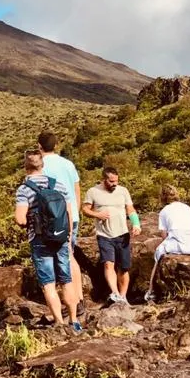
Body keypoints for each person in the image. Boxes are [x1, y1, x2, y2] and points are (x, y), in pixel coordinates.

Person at [14, 150, 82, 333]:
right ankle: (74, 320)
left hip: (39, 240)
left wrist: (29, 222)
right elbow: (68, 212)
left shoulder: (24, 189)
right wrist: (67, 238)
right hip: (61, 237)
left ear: (26, 166)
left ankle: (59, 323)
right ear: (42, 165)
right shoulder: (58, 185)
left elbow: (20, 219)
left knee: (48, 283)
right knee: (66, 281)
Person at [38, 130, 85, 325]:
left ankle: (66, 305)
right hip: (71, 215)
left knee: (54, 259)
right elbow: (76, 189)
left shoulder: (41, 166)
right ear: (56, 145)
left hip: (52, 218)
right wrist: (76, 213)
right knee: (70, 254)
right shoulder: (68, 164)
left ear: (39, 146)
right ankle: (79, 299)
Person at [82, 166, 141, 305]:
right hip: (104, 235)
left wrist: (136, 224)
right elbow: (84, 209)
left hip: (122, 233)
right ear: (104, 179)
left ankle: (123, 296)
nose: (114, 184)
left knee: (124, 267)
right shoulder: (93, 191)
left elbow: (130, 209)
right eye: (111, 181)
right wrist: (98, 214)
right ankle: (114, 293)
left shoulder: (123, 191)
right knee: (109, 264)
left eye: (116, 181)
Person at [144, 186, 190, 304]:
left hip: (177, 245)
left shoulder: (164, 211)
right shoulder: (187, 208)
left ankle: (151, 291)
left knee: (158, 253)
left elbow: (164, 235)